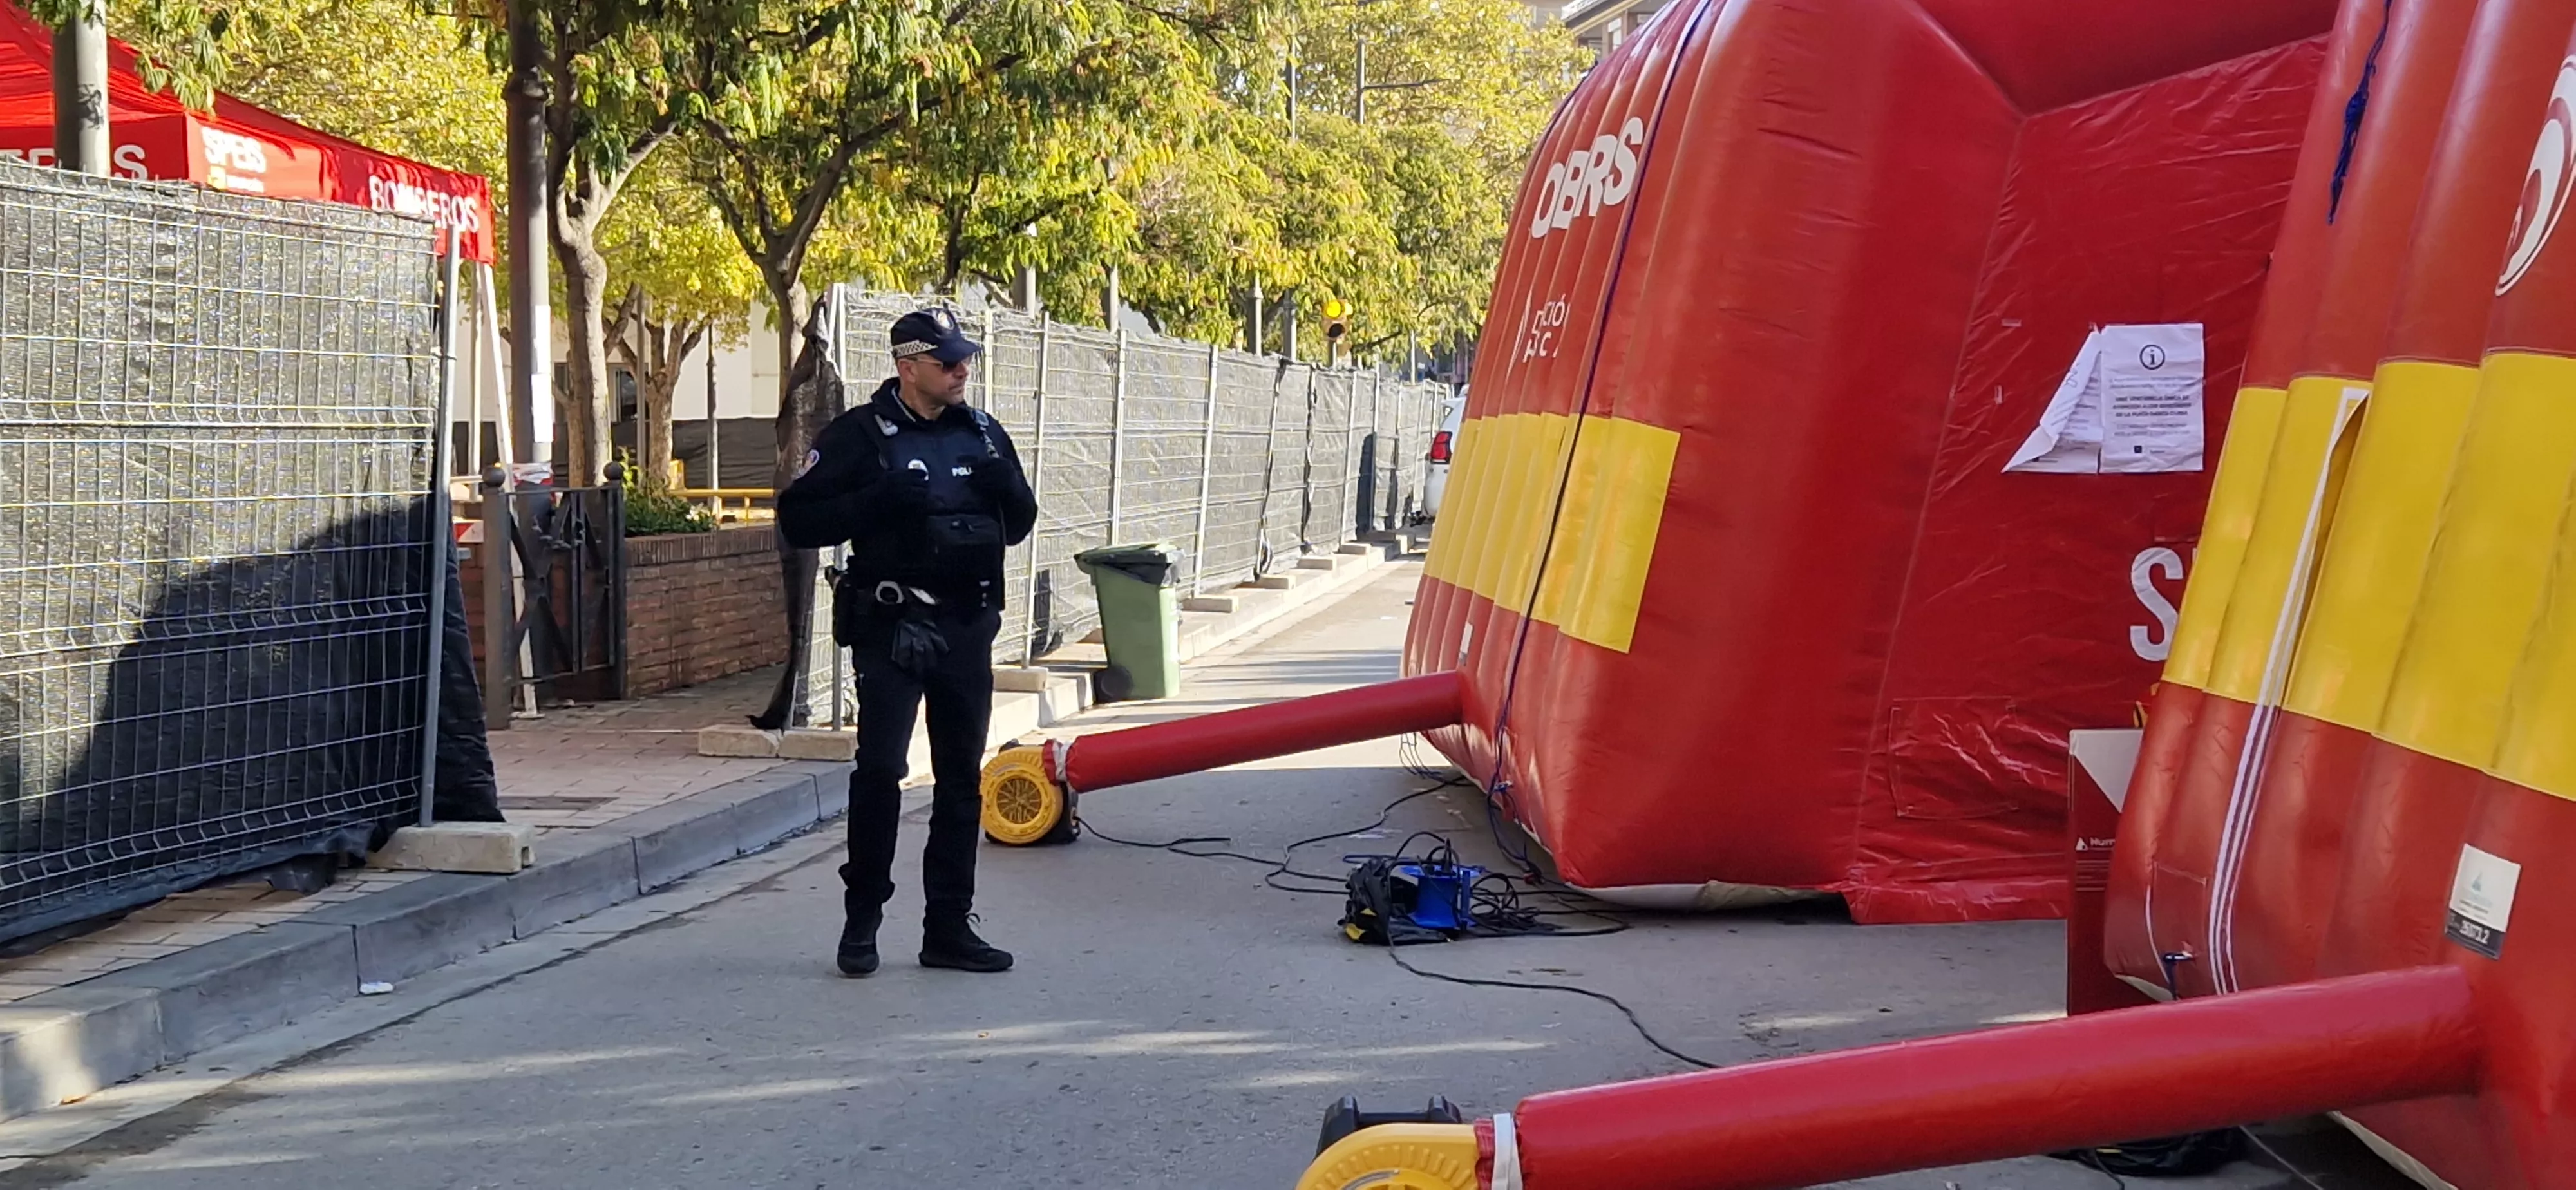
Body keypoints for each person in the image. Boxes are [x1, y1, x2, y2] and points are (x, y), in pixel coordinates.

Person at [778, 307, 1037, 977]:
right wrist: (874, 503)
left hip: (965, 627)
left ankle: (947, 928)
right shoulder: (860, 436)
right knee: (881, 773)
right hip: (892, 627)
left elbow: (1016, 525)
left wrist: (1006, 485)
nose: (961, 371)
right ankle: (861, 922)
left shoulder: (981, 432)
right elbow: (797, 519)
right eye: (948, 362)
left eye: (965, 361)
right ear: (908, 365)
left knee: (960, 781)